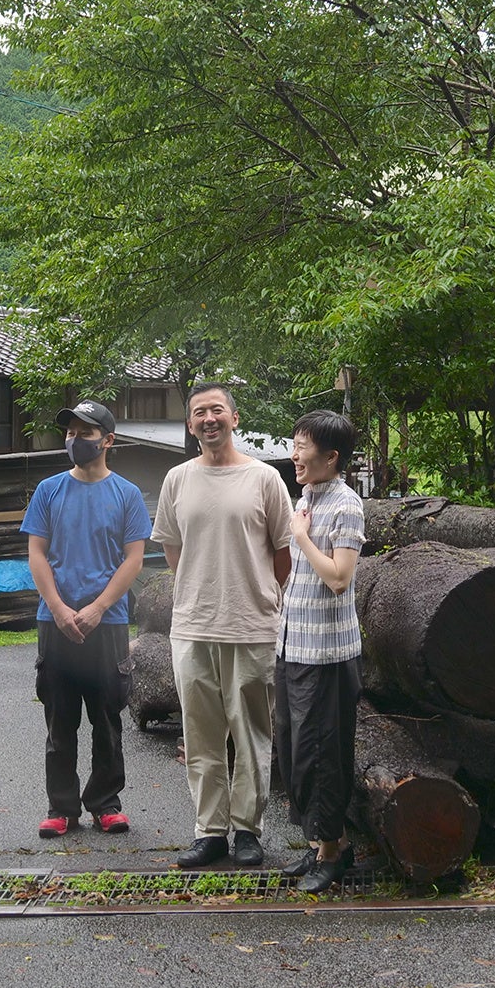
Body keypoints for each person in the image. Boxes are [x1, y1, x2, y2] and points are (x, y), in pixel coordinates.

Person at [150, 382, 292, 868]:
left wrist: (258, 594)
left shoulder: (264, 478)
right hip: (192, 625)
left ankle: (247, 829)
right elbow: (172, 547)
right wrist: (199, 587)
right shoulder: (177, 479)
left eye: (216, 410)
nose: (208, 419)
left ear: (234, 417)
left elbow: (282, 553)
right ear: (190, 425)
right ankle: (209, 830)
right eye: (199, 413)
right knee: (201, 734)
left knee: (251, 733)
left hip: (251, 624)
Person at [22, 399, 152, 839]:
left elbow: (133, 559)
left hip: (108, 624)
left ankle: (105, 803)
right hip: (54, 621)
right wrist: (59, 608)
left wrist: (98, 607)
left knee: (107, 718)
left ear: (108, 440)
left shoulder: (127, 494)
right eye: (71, 432)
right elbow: (36, 553)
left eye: (85, 433)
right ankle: (61, 808)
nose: (75, 439)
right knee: (59, 720)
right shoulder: (49, 490)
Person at [273, 410, 366, 893]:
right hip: (293, 645)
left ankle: (332, 852)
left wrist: (301, 537)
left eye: (302, 446)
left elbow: (339, 577)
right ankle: (324, 843)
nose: (294, 454)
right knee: (294, 749)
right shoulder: (307, 496)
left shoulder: (347, 505)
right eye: (293, 444)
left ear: (331, 457)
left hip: (327, 655)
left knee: (323, 754)